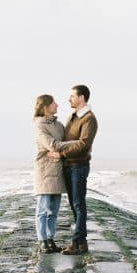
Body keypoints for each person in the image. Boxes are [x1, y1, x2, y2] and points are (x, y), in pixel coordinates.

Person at [48, 85, 98, 255]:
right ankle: (81, 243)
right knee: (73, 204)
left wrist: (60, 154)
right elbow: (65, 139)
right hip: (69, 165)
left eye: (72, 96)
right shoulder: (72, 117)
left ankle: (77, 243)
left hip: (79, 166)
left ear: (82, 98)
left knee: (78, 204)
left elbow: (84, 145)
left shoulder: (89, 119)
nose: (69, 99)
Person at [33, 94, 76, 254]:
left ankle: (50, 239)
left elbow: (62, 142)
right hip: (45, 170)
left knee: (54, 210)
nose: (57, 105)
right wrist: (79, 143)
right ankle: (42, 240)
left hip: (58, 170)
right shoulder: (39, 124)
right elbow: (52, 145)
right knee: (43, 208)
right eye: (53, 103)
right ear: (45, 107)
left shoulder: (58, 125)